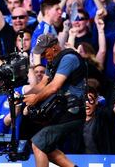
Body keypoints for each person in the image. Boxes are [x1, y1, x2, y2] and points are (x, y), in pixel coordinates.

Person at [24, 33, 86, 167]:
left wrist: (35, 99)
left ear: (54, 47)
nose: (42, 55)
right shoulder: (52, 62)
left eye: (44, 51)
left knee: (38, 144)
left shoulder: (68, 58)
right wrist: (22, 99)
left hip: (73, 111)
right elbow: (42, 85)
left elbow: (54, 86)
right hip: (62, 110)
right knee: (47, 147)